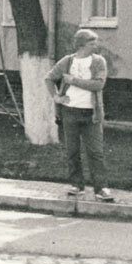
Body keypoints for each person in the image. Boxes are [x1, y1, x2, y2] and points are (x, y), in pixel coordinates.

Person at [45, 29, 114, 202]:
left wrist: (73, 81)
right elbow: (49, 78)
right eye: (92, 43)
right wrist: (57, 97)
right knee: (72, 151)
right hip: (70, 112)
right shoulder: (68, 61)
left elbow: (98, 85)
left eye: (95, 43)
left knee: (95, 152)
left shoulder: (98, 61)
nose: (95, 46)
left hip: (92, 114)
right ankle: (77, 185)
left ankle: (101, 188)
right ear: (81, 45)